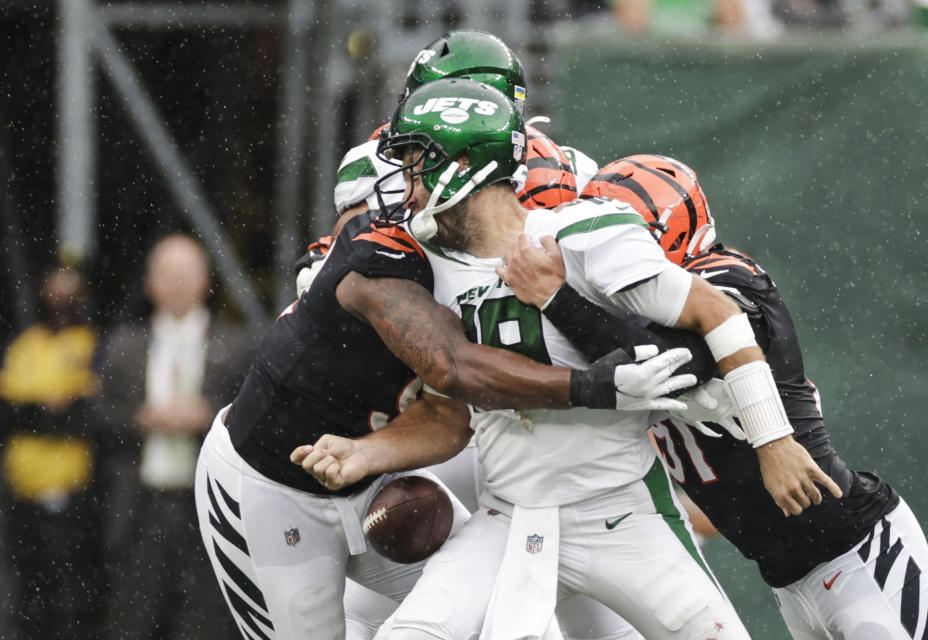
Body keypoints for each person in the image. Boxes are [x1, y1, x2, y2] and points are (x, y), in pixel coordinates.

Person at [302, 77, 843, 639]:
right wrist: (366, 453)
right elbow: (448, 415)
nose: (405, 185)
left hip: (623, 515)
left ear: (463, 165)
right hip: (507, 516)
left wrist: (774, 439)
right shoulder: (423, 263)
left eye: (417, 163)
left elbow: (717, 314)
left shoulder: (583, 233)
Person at [194, 89, 698, 640]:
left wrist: (367, 454)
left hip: (375, 468)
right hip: (273, 483)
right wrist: (596, 387)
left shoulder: (495, 256)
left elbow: (449, 416)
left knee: (503, 617)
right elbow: (453, 368)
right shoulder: (378, 255)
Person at [503, 152, 928, 639]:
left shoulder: (727, 279)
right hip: (789, 575)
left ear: (661, 231)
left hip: (852, 548)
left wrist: (557, 298)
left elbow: (666, 367)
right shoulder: (635, 317)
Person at [92, 234, 253, 640]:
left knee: (207, 622)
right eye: (167, 274)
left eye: (186, 274)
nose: (177, 283)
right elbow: (95, 416)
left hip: (209, 511)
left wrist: (208, 414)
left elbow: (258, 419)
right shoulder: (123, 347)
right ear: (149, 283)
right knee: (131, 617)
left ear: (206, 280)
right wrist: (139, 419)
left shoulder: (237, 346)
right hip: (138, 505)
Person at [0, 266, 104, 640]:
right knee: (28, 591)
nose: (61, 299)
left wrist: (36, 412)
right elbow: (10, 412)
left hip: (73, 493)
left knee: (73, 593)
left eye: (71, 290)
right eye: (54, 289)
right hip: (23, 493)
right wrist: (44, 411)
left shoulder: (93, 344)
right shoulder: (25, 344)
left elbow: (85, 415)